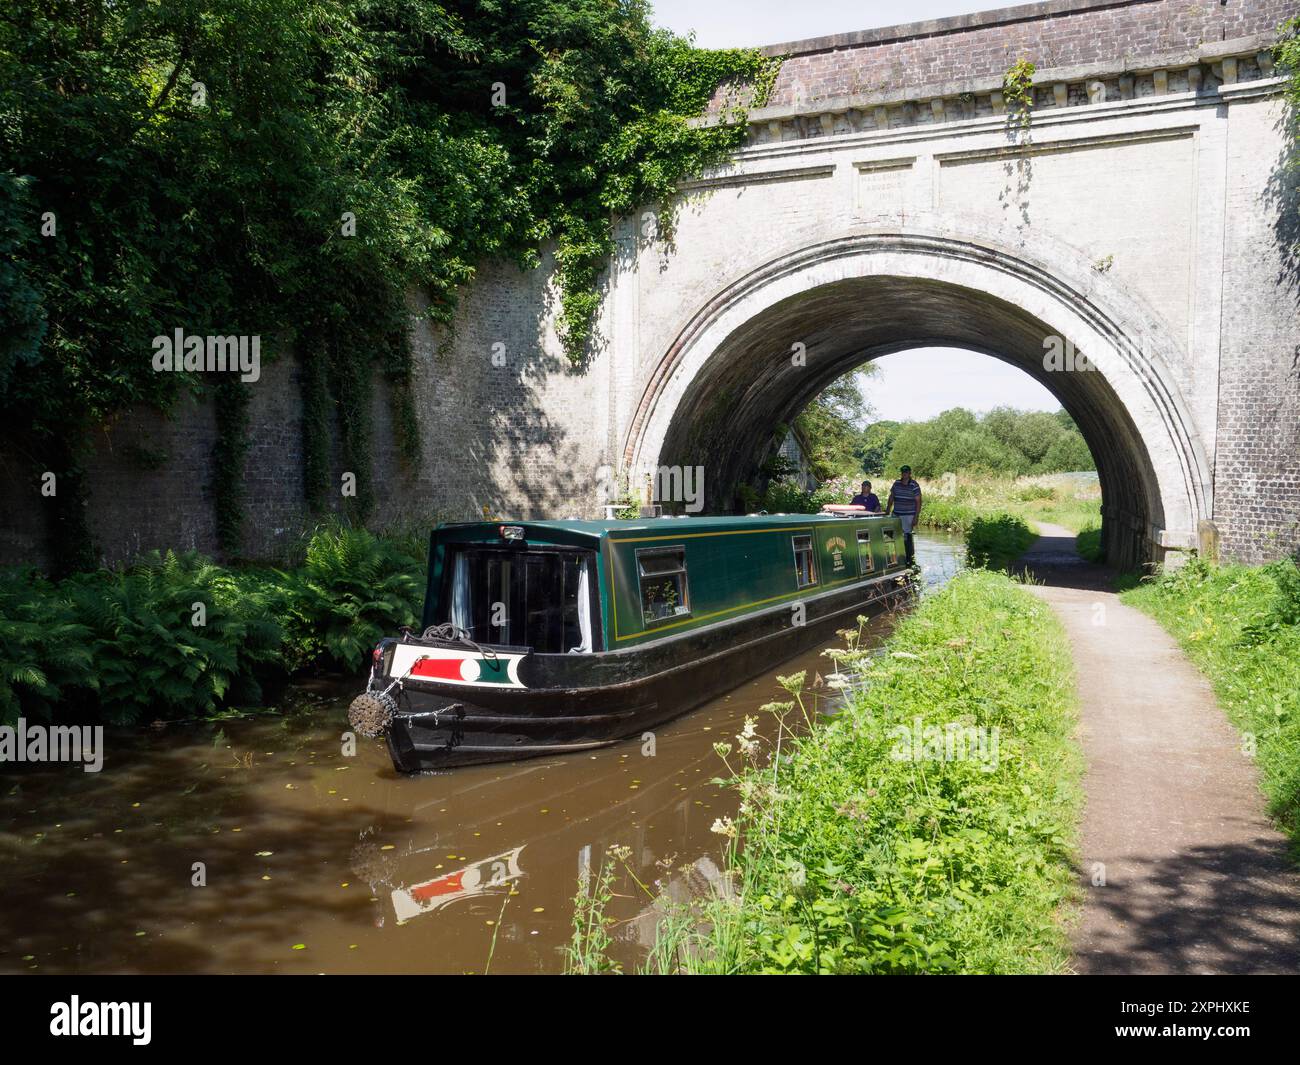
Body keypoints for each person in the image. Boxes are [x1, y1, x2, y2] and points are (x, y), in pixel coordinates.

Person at [885, 466, 922, 565]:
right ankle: (894, 557)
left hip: (908, 515)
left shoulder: (914, 485)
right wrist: (888, 509)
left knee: (907, 536)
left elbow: (918, 501)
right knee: (892, 535)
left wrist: (916, 516)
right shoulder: (896, 484)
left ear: (910, 473)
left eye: (906, 472)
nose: (904, 474)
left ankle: (909, 558)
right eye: (903, 472)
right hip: (896, 513)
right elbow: (891, 497)